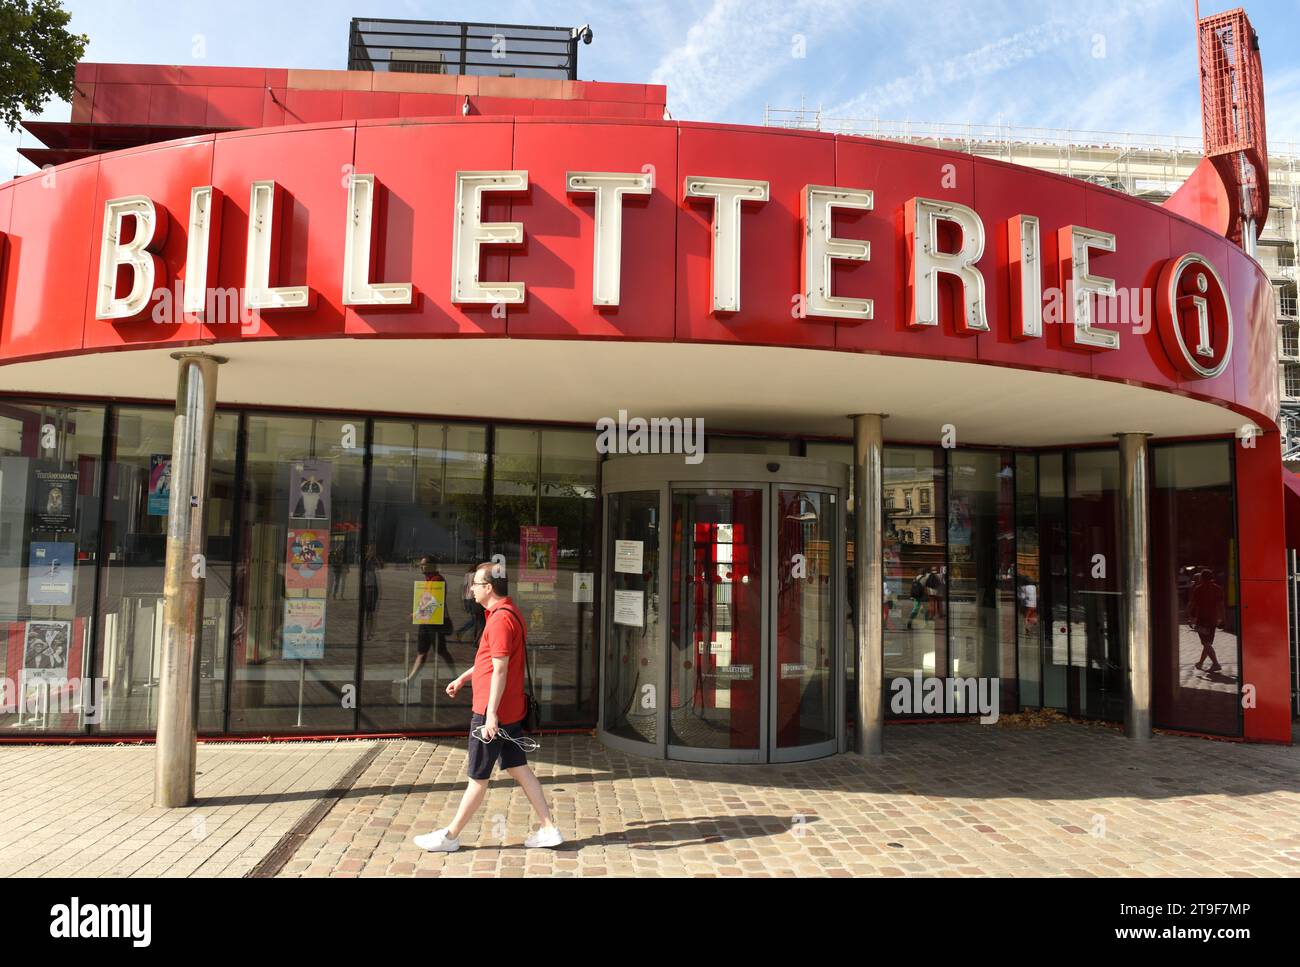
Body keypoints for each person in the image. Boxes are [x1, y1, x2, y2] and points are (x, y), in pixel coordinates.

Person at [414, 561, 562, 852]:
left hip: (491, 714)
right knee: (520, 768)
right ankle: (548, 828)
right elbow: (487, 662)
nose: (471, 589)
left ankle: (450, 837)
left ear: (488, 588)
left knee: (477, 777)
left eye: (475, 585)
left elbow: (500, 669)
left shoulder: (500, 621)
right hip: (507, 711)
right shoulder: (507, 613)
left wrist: (491, 714)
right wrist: (462, 677)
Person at [404, 555, 456, 682]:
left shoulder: (438, 580)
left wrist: (417, 614)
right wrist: (417, 613)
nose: (421, 567)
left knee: (441, 651)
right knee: (422, 651)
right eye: (421, 564)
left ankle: (455, 675)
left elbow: (435, 602)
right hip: (425, 620)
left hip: (435, 622)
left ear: (432, 565)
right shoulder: (428, 580)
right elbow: (425, 600)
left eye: (424, 564)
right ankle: (411, 678)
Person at [1188, 569, 1225, 672]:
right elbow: (1221, 605)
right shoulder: (1218, 589)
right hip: (1213, 619)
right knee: (1207, 643)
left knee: (1206, 643)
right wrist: (1222, 618)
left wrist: (1190, 617)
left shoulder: (1198, 589)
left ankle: (1216, 664)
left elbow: (1193, 604)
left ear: (1202, 578)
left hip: (1202, 619)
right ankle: (1200, 663)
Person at [453, 565, 486, 645]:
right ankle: (474, 639)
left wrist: (464, 600)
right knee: (479, 621)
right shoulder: (476, 575)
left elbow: (464, 588)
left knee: (476, 620)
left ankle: (473, 638)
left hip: (467, 599)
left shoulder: (467, 575)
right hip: (474, 599)